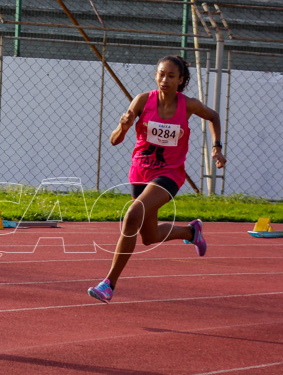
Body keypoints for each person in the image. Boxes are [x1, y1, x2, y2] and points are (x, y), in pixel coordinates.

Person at [89, 55, 227, 303]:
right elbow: (114, 140)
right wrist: (124, 126)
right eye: (161, 74)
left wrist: (216, 147)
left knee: (132, 215)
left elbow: (214, 116)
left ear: (181, 80)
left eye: (171, 75)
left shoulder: (189, 105)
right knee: (148, 236)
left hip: (170, 173)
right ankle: (190, 231)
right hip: (140, 172)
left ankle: (108, 283)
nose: (164, 79)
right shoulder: (143, 100)